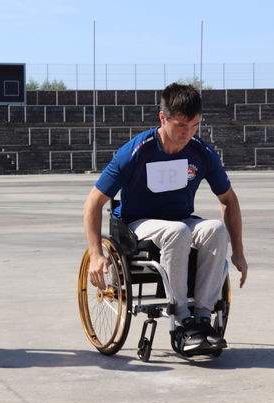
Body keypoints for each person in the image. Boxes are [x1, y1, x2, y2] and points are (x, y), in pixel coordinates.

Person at [83, 83, 248, 354]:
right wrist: (95, 253)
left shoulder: (201, 152)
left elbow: (228, 200)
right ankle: (182, 320)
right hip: (138, 223)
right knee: (177, 232)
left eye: (195, 125)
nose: (188, 133)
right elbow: (93, 201)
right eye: (181, 125)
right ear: (163, 117)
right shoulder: (136, 151)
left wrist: (239, 252)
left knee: (216, 229)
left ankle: (203, 319)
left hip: (180, 219)